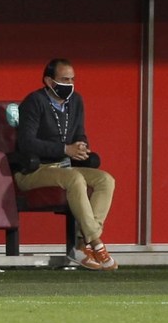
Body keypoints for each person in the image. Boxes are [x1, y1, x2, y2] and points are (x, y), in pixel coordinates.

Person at [12, 59, 118, 271]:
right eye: (64, 80)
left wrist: (81, 147)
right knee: (74, 178)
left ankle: (81, 246)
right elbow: (26, 142)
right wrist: (64, 149)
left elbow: (79, 133)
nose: (69, 84)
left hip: (64, 167)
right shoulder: (34, 101)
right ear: (49, 81)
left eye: (72, 79)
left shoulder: (76, 101)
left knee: (105, 179)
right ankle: (96, 242)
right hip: (34, 170)